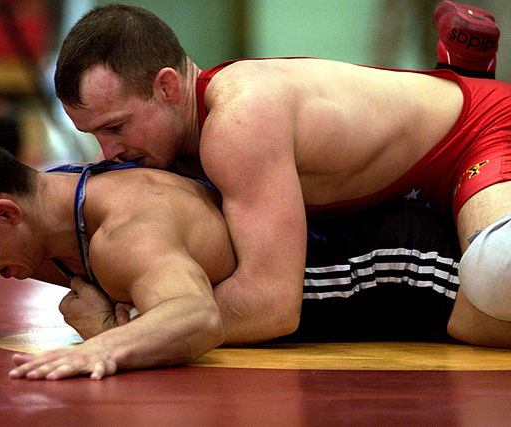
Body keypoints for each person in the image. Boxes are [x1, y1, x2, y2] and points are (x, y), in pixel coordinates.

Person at [52, 2, 511, 346]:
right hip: (422, 150)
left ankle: (468, 81)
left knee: (494, 279)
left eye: (116, 126)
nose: (108, 151)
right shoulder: (190, 131)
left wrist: (124, 330)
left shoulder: (237, 123)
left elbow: (270, 307)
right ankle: (460, 71)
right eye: (95, 134)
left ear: (168, 86)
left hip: (481, 132)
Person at [0, 131, 474, 381]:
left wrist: (101, 342)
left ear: (5, 212)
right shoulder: (41, 204)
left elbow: (195, 317)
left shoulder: (127, 232)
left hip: (404, 264)